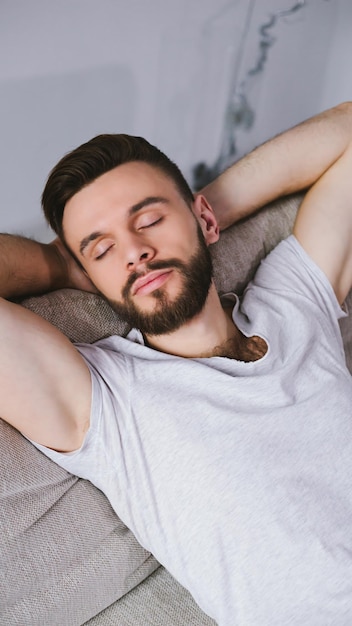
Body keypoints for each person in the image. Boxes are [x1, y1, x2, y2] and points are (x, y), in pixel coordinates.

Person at [1, 102, 352, 625]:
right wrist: (56, 264)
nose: (135, 252)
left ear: (203, 218)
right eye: (101, 249)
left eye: (148, 220)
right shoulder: (109, 403)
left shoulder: (294, 300)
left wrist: (212, 213)